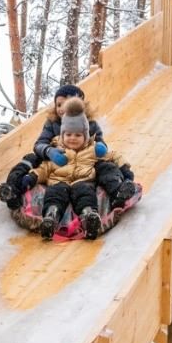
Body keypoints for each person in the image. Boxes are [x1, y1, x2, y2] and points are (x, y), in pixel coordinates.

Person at [0, 84, 111, 210]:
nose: (61, 109)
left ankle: (116, 188)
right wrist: (49, 151)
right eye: (58, 105)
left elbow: (100, 142)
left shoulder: (89, 123)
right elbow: (39, 144)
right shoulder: (52, 123)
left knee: (105, 164)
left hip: (82, 161)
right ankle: (12, 189)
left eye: (65, 104)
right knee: (29, 159)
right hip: (54, 162)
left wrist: (100, 147)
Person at [32, 98, 130, 241]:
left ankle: (89, 216)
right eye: (68, 134)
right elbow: (44, 169)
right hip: (59, 182)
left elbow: (111, 156)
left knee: (85, 194)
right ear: (62, 135)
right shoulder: (56, 151)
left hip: (83, 181)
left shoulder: (91, 150)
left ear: (85, 136)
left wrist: (125, 168)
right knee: (54, 194)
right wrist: (32, 176)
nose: (73, 138)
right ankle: (51, 217)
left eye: (78, 135)